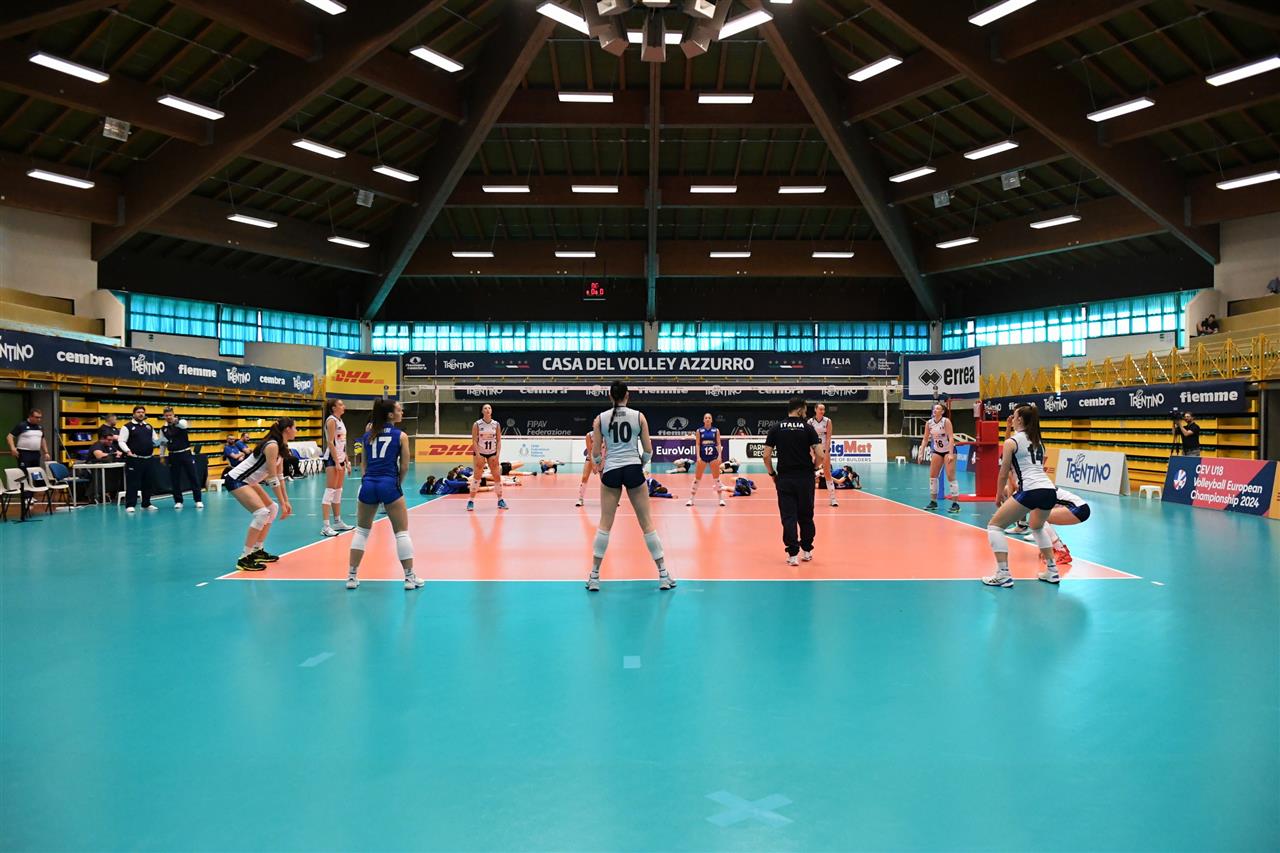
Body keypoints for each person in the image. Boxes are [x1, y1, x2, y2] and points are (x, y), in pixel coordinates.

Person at [586, 381, 675, 592]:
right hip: (633, 469)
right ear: (627, 395)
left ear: (610, 396)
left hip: (612, 470)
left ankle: (594, 576)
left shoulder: (600, 419)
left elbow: (596, 453)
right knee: (647, 523)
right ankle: (663, 574)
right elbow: (648, 450)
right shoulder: (639, 417)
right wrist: (640, 465)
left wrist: (599, 466)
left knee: (605, 524)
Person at [346, 400, 423, 591]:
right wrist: (397, 483)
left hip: (369, 484)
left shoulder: (368, 435)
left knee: (361, 531)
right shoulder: (401, 436)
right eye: (398, 409)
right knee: (401, 532)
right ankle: (409, 578)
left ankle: (352, 577)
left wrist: (366, 481)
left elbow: (364, 464)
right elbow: (404, 466)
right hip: (389, 483)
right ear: (390, 415)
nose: (401, 411)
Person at [982, 404, 1060, 588]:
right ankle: (1052, 570)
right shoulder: (1038, 441)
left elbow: (1003, 472)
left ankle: (1003, 574)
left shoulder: (1012, 442)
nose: (1012, 417)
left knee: (994, 526)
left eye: (1014, 415)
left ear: (1020, 419)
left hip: (1031, 489)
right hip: (1049, 489)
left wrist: (998, 494)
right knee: (1037, 527)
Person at [224, 418, 295, 571]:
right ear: (287, 429)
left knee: (272, 508)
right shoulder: (272, 445)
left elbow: (280, 476)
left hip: (250, 481)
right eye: (295, 428)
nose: (296, 431)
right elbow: (272, 478)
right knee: (262, 513)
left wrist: (286, 501)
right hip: (237, 480)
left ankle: (257, 550)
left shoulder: (281, 447)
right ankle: (244, 558)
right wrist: (283, 502)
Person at [763, 397, 824, 567]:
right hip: (805, 478)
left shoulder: (776, 428)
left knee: (789, 516)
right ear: (799, 410)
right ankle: (807, 551)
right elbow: (820, 454)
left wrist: (772, 474)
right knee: (806, 515)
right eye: (805, 409)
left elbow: (766, 455)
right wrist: (813, 469)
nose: (806, 413)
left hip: (785, 478)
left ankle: (792, 555)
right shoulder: (808, 428)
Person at [1011, 486, 1088, 567]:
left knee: (1039, 517)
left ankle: (1062, 551)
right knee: (1037, 517)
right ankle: (1055, 548)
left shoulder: (1033, 491)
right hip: (1077, 508)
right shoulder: (1033, 489)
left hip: (1078, 509)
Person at [320, 398, 354, 537]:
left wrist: (346, 460)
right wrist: (336, 462)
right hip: (331, 459)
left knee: (338, 491)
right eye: (340, 404)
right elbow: (330, 442)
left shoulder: (340, 420)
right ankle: (325, 526)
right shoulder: (331, 420)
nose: (343, 406)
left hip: (340, 458)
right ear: (333, 408)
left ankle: (337, 521)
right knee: (330, 491)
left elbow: (342, 443)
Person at [919, 402, 961, 514]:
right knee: (933, 476)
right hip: (937, 451)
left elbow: (951, 438)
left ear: (942, 412)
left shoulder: (946, 421)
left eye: (938, 409)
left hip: (948, 450)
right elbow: (925, 439)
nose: (935, 410)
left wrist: (951, 453)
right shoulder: (929, 423)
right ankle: (933, 502)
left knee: (950, 476)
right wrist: (921, 452)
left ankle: (955, 504)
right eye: (934, 408)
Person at [161, 407, 203, 509]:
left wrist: (176, 422)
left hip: (185, 453)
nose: (169, 417)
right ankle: (178, 501)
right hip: (173, 455)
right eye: (166, 416)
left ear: (174, 415)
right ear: (164, 417)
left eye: (170, 415)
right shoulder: (163, 429)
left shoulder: (181, 422)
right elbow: (163, 443)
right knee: (175, 479)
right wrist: (161, 455)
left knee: (193, 477)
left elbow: (184, 425)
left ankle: (198, 500)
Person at [118, 405, 158, 513]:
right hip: (134, 459)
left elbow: (155, 440)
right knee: (133, 482)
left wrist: (161, 442)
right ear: (134, 414)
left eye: (142, 412)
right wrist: (127, 451)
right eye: (138, 412)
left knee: (148, 482)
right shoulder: (127, 427)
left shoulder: (149, 427)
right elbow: (121, 441)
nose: (141, 414)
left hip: (148, 459)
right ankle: (130, 505)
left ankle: (146, 504)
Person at [468, 403, 507, 512]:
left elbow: (499, 440)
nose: (487, 409)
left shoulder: (496, 424)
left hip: (492, 453)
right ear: (482, 411)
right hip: (480, 452)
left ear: (491, 411)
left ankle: (500, 500)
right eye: (485, 408)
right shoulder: (477, 424)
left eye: (489, 408)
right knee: (477, 476)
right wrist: (478, 455)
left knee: (497, 476)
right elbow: (474, 441)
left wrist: (497, 455)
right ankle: (471, 501)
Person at [686, 413, 726, 507]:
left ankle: (721, 499)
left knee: (717, 479)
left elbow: (718, 443)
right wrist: (698, 457)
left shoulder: (716, 430)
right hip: (703, 456)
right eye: (706, 418)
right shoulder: (699, 431)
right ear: (703, 420)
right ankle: (691, 499)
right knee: (697, 478)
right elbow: (697, 444)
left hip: (713, 456)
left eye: (709, 418)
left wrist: (719, 456)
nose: (707, 419)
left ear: (711, 420)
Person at [808, 402, 838, 507]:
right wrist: (812, 454)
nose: (822, 411)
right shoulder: (810, 422)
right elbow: (808, 439)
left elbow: (829, 437)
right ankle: (809, 499)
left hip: (824, 450)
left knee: (827, 473)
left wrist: (827, 452)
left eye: (823, 409)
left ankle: (833, 499)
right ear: (815, 410)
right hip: (814, 450)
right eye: (820, 409)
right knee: (809, 474)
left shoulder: (828, 421)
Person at [576, 428, 595, 507]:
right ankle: (580, 499)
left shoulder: (606, 435)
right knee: (584, 477)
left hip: (603, 457)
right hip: (591, 457)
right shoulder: (589, 435)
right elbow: (589, 451)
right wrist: (593, 465)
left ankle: (611, 499)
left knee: (605, 479)